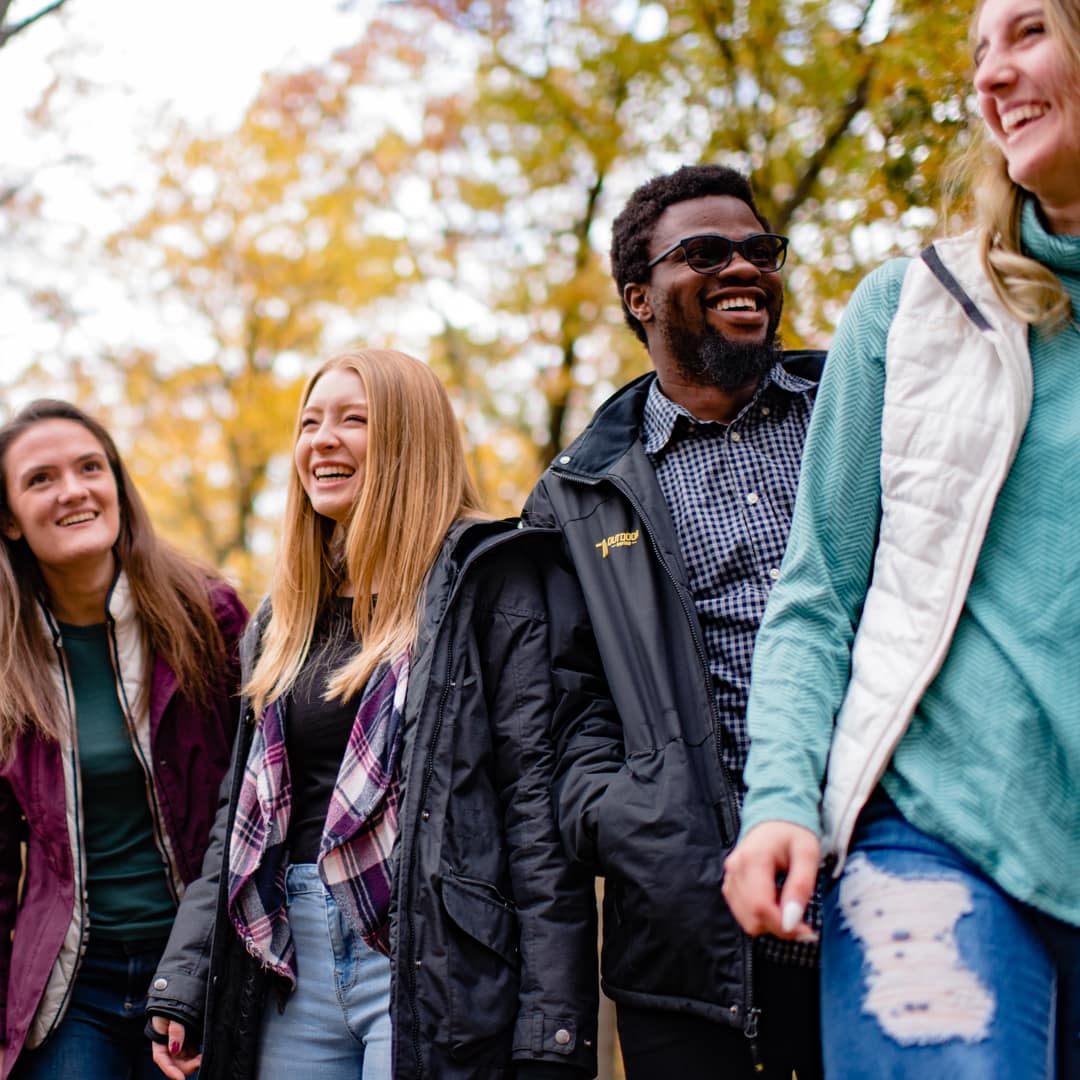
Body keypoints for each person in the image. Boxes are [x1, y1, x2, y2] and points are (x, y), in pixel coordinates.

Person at [722, 0, 1080, 1075]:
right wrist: (780, 796)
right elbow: (817, 592)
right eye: (980, 51)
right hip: (936, 836)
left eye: (1028, 34)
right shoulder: (915, 310)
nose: (993, 76)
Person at [146, 348, 598, 1080]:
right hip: (289, 956)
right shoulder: (282, 619)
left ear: (410, 442)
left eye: (354, 420)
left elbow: (535, 821)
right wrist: (189, 976)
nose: (322, 439)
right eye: (310, 422)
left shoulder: (490, 586)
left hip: (431, 957)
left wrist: (553, 1030)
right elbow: (238, 817)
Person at [525, 164, 825, 1078]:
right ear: (639, 298)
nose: (744, 267)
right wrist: (634, 823)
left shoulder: (857, 414)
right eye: (705, 253)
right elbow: (564, 709)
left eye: (759, 250)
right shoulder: (576, 496)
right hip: (686, 924)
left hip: (880, 866)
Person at [0, 400, 247, 1080]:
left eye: (89, 467)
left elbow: (259, 798)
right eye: (40, 479)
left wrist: (203, 970)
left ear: (116, 484)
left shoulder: (207, 617)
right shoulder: (5, 664)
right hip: (73, 982)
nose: (73, 490)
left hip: (200, 961)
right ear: (9, 519)